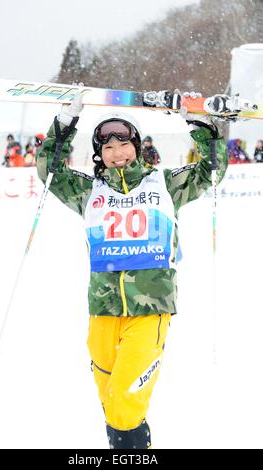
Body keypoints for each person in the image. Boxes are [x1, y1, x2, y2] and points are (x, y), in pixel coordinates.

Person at [36, 92, 228, 449]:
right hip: (103, 311)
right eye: (107, 147)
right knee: (111, 400)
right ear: (100, 154)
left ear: (137, 147)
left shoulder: (165, 184)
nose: (116, 152)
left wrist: (199, 125)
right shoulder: (88, 191)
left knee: (124, 400)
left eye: (124, 143)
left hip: (150, 308)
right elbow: (50, 173)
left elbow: (212, 169)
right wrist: (64, 125)